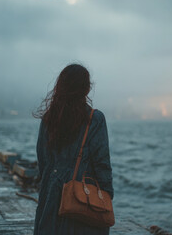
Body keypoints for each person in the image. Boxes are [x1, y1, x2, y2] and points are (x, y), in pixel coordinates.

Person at [33, 64, 113, 235]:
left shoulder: (49, 118)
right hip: (80, 197)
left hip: (50, 194)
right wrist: (106, 194)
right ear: (86, 88)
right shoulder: (95, 119)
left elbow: (43, 160)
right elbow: (101, 163)